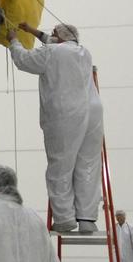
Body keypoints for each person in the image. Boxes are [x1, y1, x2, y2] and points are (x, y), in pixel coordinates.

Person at [10, 22, 104, 234]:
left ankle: (64, 219)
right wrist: (32, 31)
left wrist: (13, 41)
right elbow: (54, 44)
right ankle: (87, 219)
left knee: (61, 165)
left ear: (58, 38)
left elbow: (25, 60)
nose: (50, 36)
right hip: (92, 111)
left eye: (53, 33)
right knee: (87, 164)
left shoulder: (51, 53)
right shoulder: (83, 52)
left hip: (66, 113)